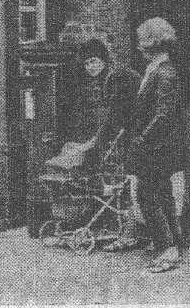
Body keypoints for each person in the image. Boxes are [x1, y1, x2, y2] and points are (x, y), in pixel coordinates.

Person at [76, 37, 142, 251]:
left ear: (104, 61)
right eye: (87, 63)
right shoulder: (109, 78)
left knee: (130, 186)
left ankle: (130, 235)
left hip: (135, 137)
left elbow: (115, 116)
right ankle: (129, 232)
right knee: (128, 186)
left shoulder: (116, 79)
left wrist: (98, 144)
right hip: (130, 135)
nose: (91, 67)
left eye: (95, 61)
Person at [130, 17, 184, 274]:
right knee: (163, 195)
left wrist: (143, 138)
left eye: (143, 41)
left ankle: (166, 249)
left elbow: (164, 115)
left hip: (157, 148)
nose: (139, 46)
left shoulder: (164, 72)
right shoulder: (156, 69)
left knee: (147, 196)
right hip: (157, 146)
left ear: (152, 44)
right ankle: (175, 243)